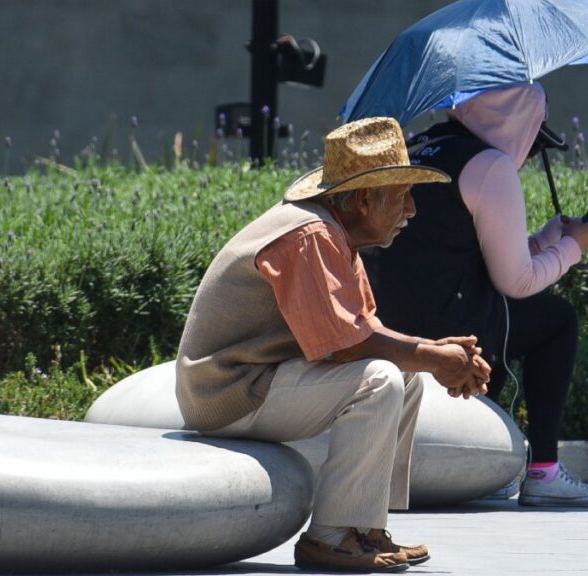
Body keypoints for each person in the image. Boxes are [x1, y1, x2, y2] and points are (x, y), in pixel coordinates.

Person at [175, 117, 491, 573]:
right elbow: (345, 347)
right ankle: (332, 537)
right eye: (403, 196)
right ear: (365, 199)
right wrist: (433, 356)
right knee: (381, 379)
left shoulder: (335, 233)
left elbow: (361, 330)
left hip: (258, 381)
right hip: (227, 394)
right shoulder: (311, 235)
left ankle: (364, 529)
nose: (412, 210)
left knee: (403, 375)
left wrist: (437, 354)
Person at [362, 83, 588, 507]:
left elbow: (455, 251)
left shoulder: (419, 145)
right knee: (555, 321)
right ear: (517, 120)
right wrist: (575, 247)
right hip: (446, 324)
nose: (532, 149)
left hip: (388, 319)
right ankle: (543, 470)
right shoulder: (489, 164)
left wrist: (544, 241)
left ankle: (493, 463)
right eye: (534, 132)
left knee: (500, 312)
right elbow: (515, 282)